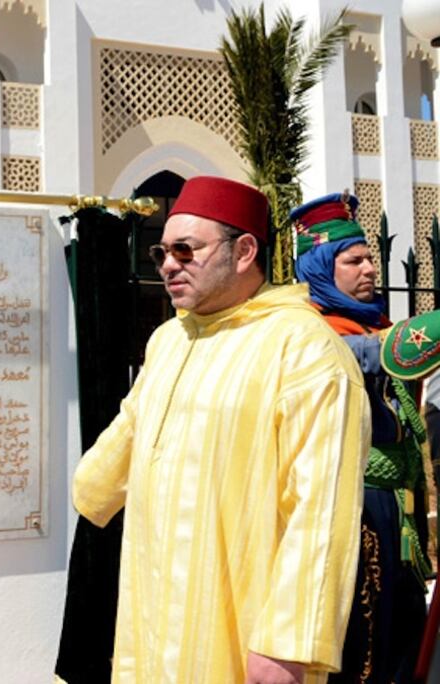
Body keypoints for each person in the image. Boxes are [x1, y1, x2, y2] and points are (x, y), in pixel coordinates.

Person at [72, 176, 369, 683]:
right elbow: (121, 447)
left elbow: (321, 509)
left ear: (245, 250)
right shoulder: (169, 340)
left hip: (241, 634)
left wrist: (289, 644)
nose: (168, 265)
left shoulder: (305, 349)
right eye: (161, 251)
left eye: (186, 251)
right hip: (152, 619)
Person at [291, 193, 430, 683]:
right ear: (322, 270)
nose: (370, 269)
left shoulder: (377, 322)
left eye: (371, 257)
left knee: (405, 637)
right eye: (355, 260)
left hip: (399, 503)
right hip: (356, 507)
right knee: (362, 644)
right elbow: (364, 356)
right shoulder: (309, 331)